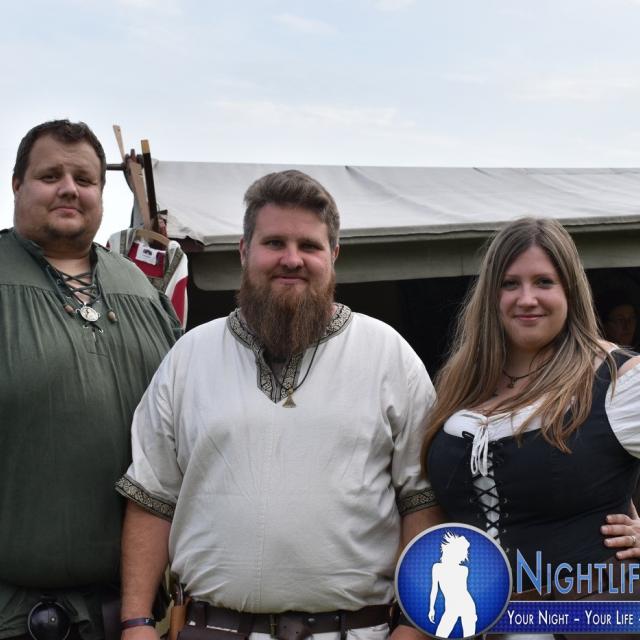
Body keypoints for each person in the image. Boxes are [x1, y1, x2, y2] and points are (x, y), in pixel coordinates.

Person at [115, 169, 442, 640]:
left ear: (333, 255)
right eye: (274, 243)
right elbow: (152, 497)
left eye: (309, 245)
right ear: (244, 251)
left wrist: (414, 624)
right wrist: (136, 621)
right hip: (213, 630)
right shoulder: (189, 356)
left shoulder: (388, 355)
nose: (292, 259)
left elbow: (422, 499)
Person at [0, 120, 181, 640]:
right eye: (50, 176)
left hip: (133, 615)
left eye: (84, 179)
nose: (69, 189)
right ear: (17, 184)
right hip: (16, 618)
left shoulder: (141, 291)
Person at [421, 217, 640, 640]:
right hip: (482, 622)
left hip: (590, 620)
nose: (527, 299)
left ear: (569, 290)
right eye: (510, 284)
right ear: (492, 295)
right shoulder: (462, 385)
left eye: (544, 282)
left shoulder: (617, 380)